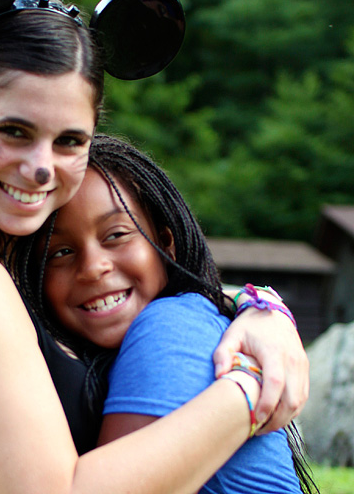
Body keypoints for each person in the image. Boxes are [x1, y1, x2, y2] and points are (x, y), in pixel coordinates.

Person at [0, 0, 309, 494]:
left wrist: (261, 310)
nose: (40, 168)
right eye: (12, 130)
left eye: (69, 142)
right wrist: (250, 388)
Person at [24, 134, 317, 493]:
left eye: (116, 235)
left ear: (166, 244)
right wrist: (260, 305)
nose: (93, 267)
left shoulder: (168, 326)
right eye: (60, 252)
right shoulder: (179, 322)